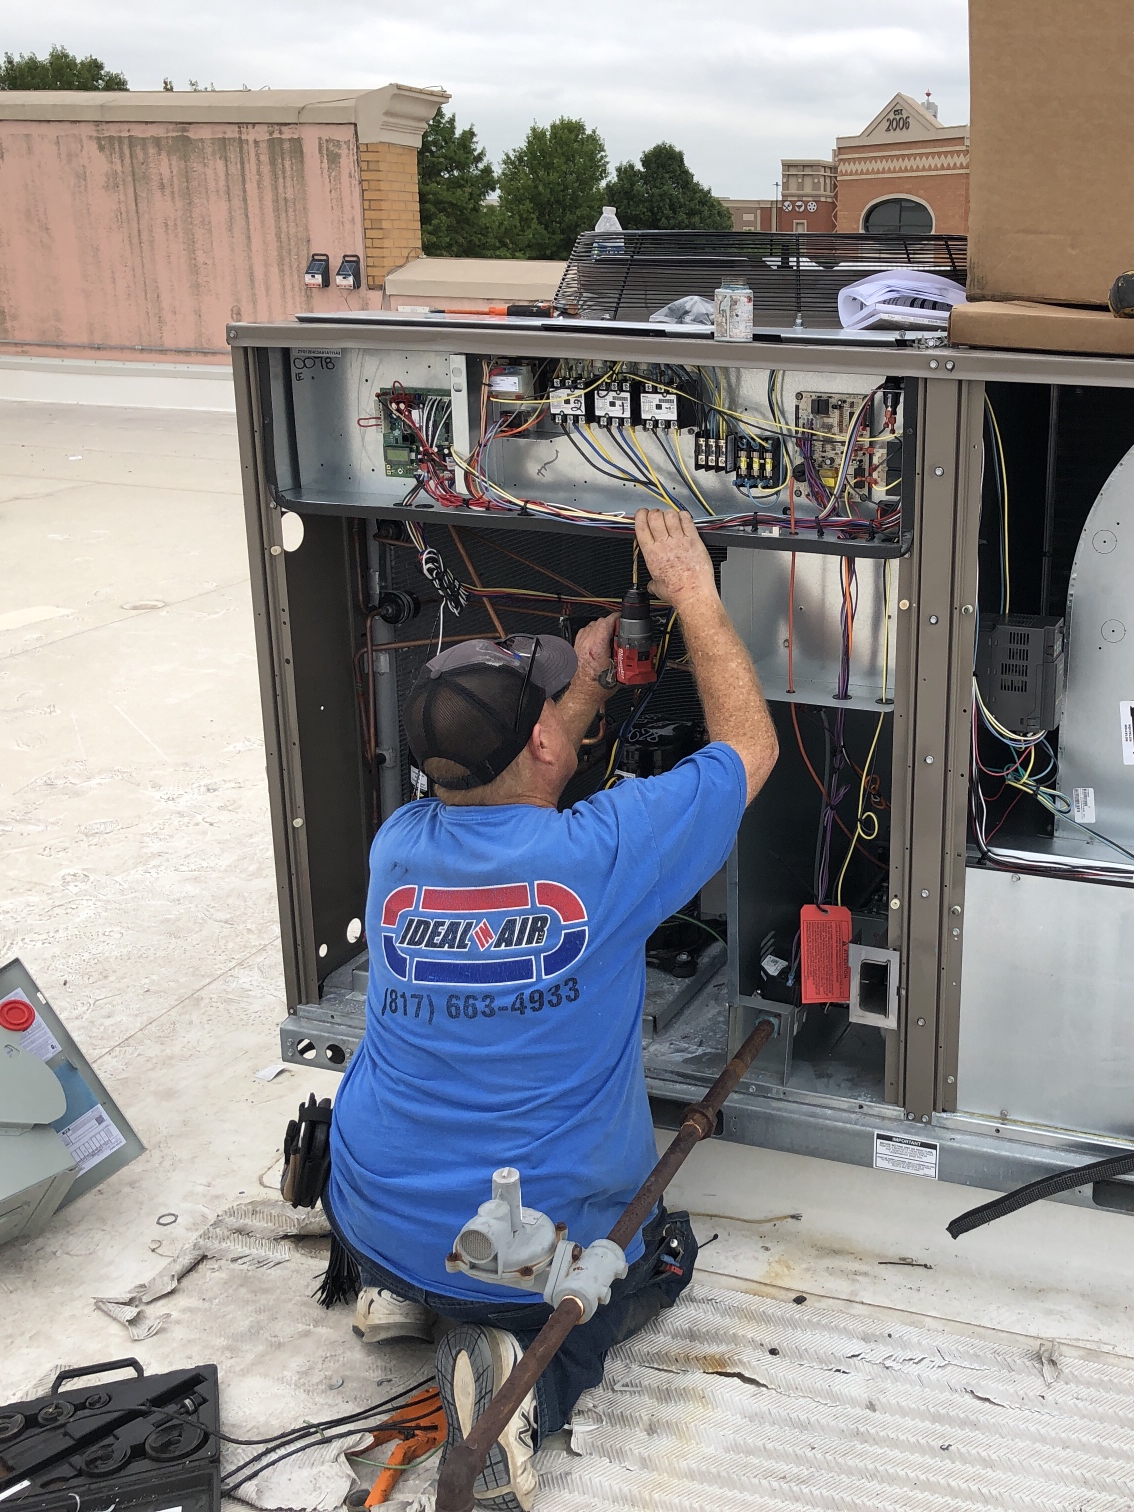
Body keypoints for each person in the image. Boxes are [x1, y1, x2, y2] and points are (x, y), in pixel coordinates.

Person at [325, 510, 777, 1511]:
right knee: (655, 1259)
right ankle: (512, 1395)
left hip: (369, 1211)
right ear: (538, 738)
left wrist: (588, 685)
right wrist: (695, 594)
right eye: (547, 714)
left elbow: (519, 759)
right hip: (519, 1252)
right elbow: (750, 748)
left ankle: (403, 1290)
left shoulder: (400, 846)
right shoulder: (602, 855)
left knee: (428, 1205)